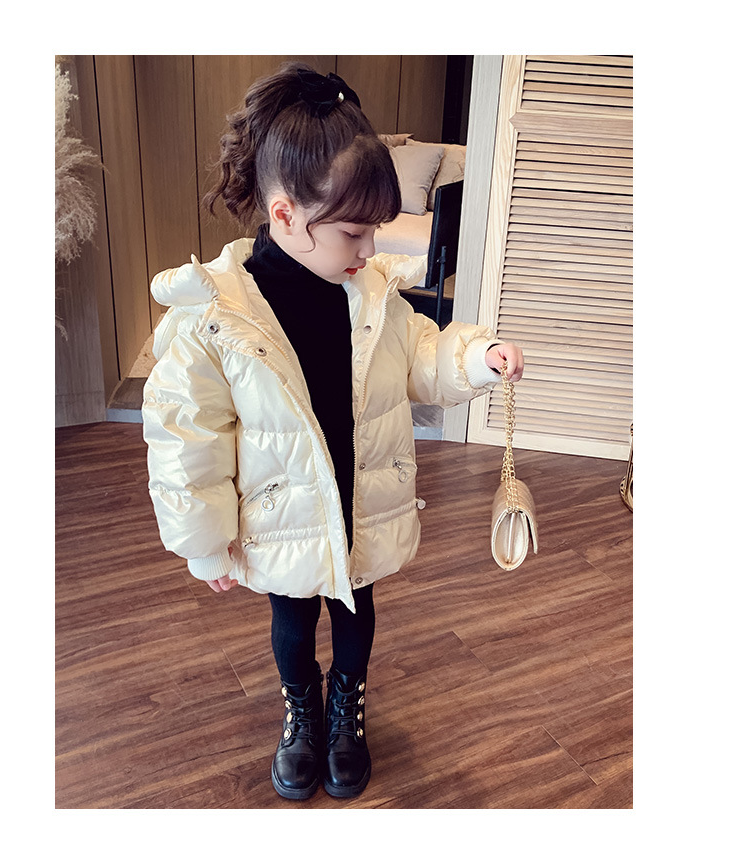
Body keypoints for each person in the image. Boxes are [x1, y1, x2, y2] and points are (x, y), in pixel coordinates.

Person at [142, 62, 524, 801]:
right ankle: (303, 711)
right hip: (282, 514)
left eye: (375, 229)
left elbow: (422, 355)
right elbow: (187, 439)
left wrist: (477, 357)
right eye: (354, 231)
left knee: (357, 612)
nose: (370, 249)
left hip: (360, 499)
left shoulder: (371, 294)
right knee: (291, 620)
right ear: (286, 215)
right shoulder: (215, 317)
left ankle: (346, 708)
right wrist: (204, 541)